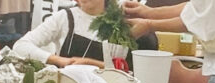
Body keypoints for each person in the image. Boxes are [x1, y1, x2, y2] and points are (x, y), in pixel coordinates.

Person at [13, 0, 153, 67]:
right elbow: (21, 46)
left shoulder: (121, 23)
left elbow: (123, 70)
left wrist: (88, 63)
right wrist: (57, 60)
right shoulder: (64, 17)